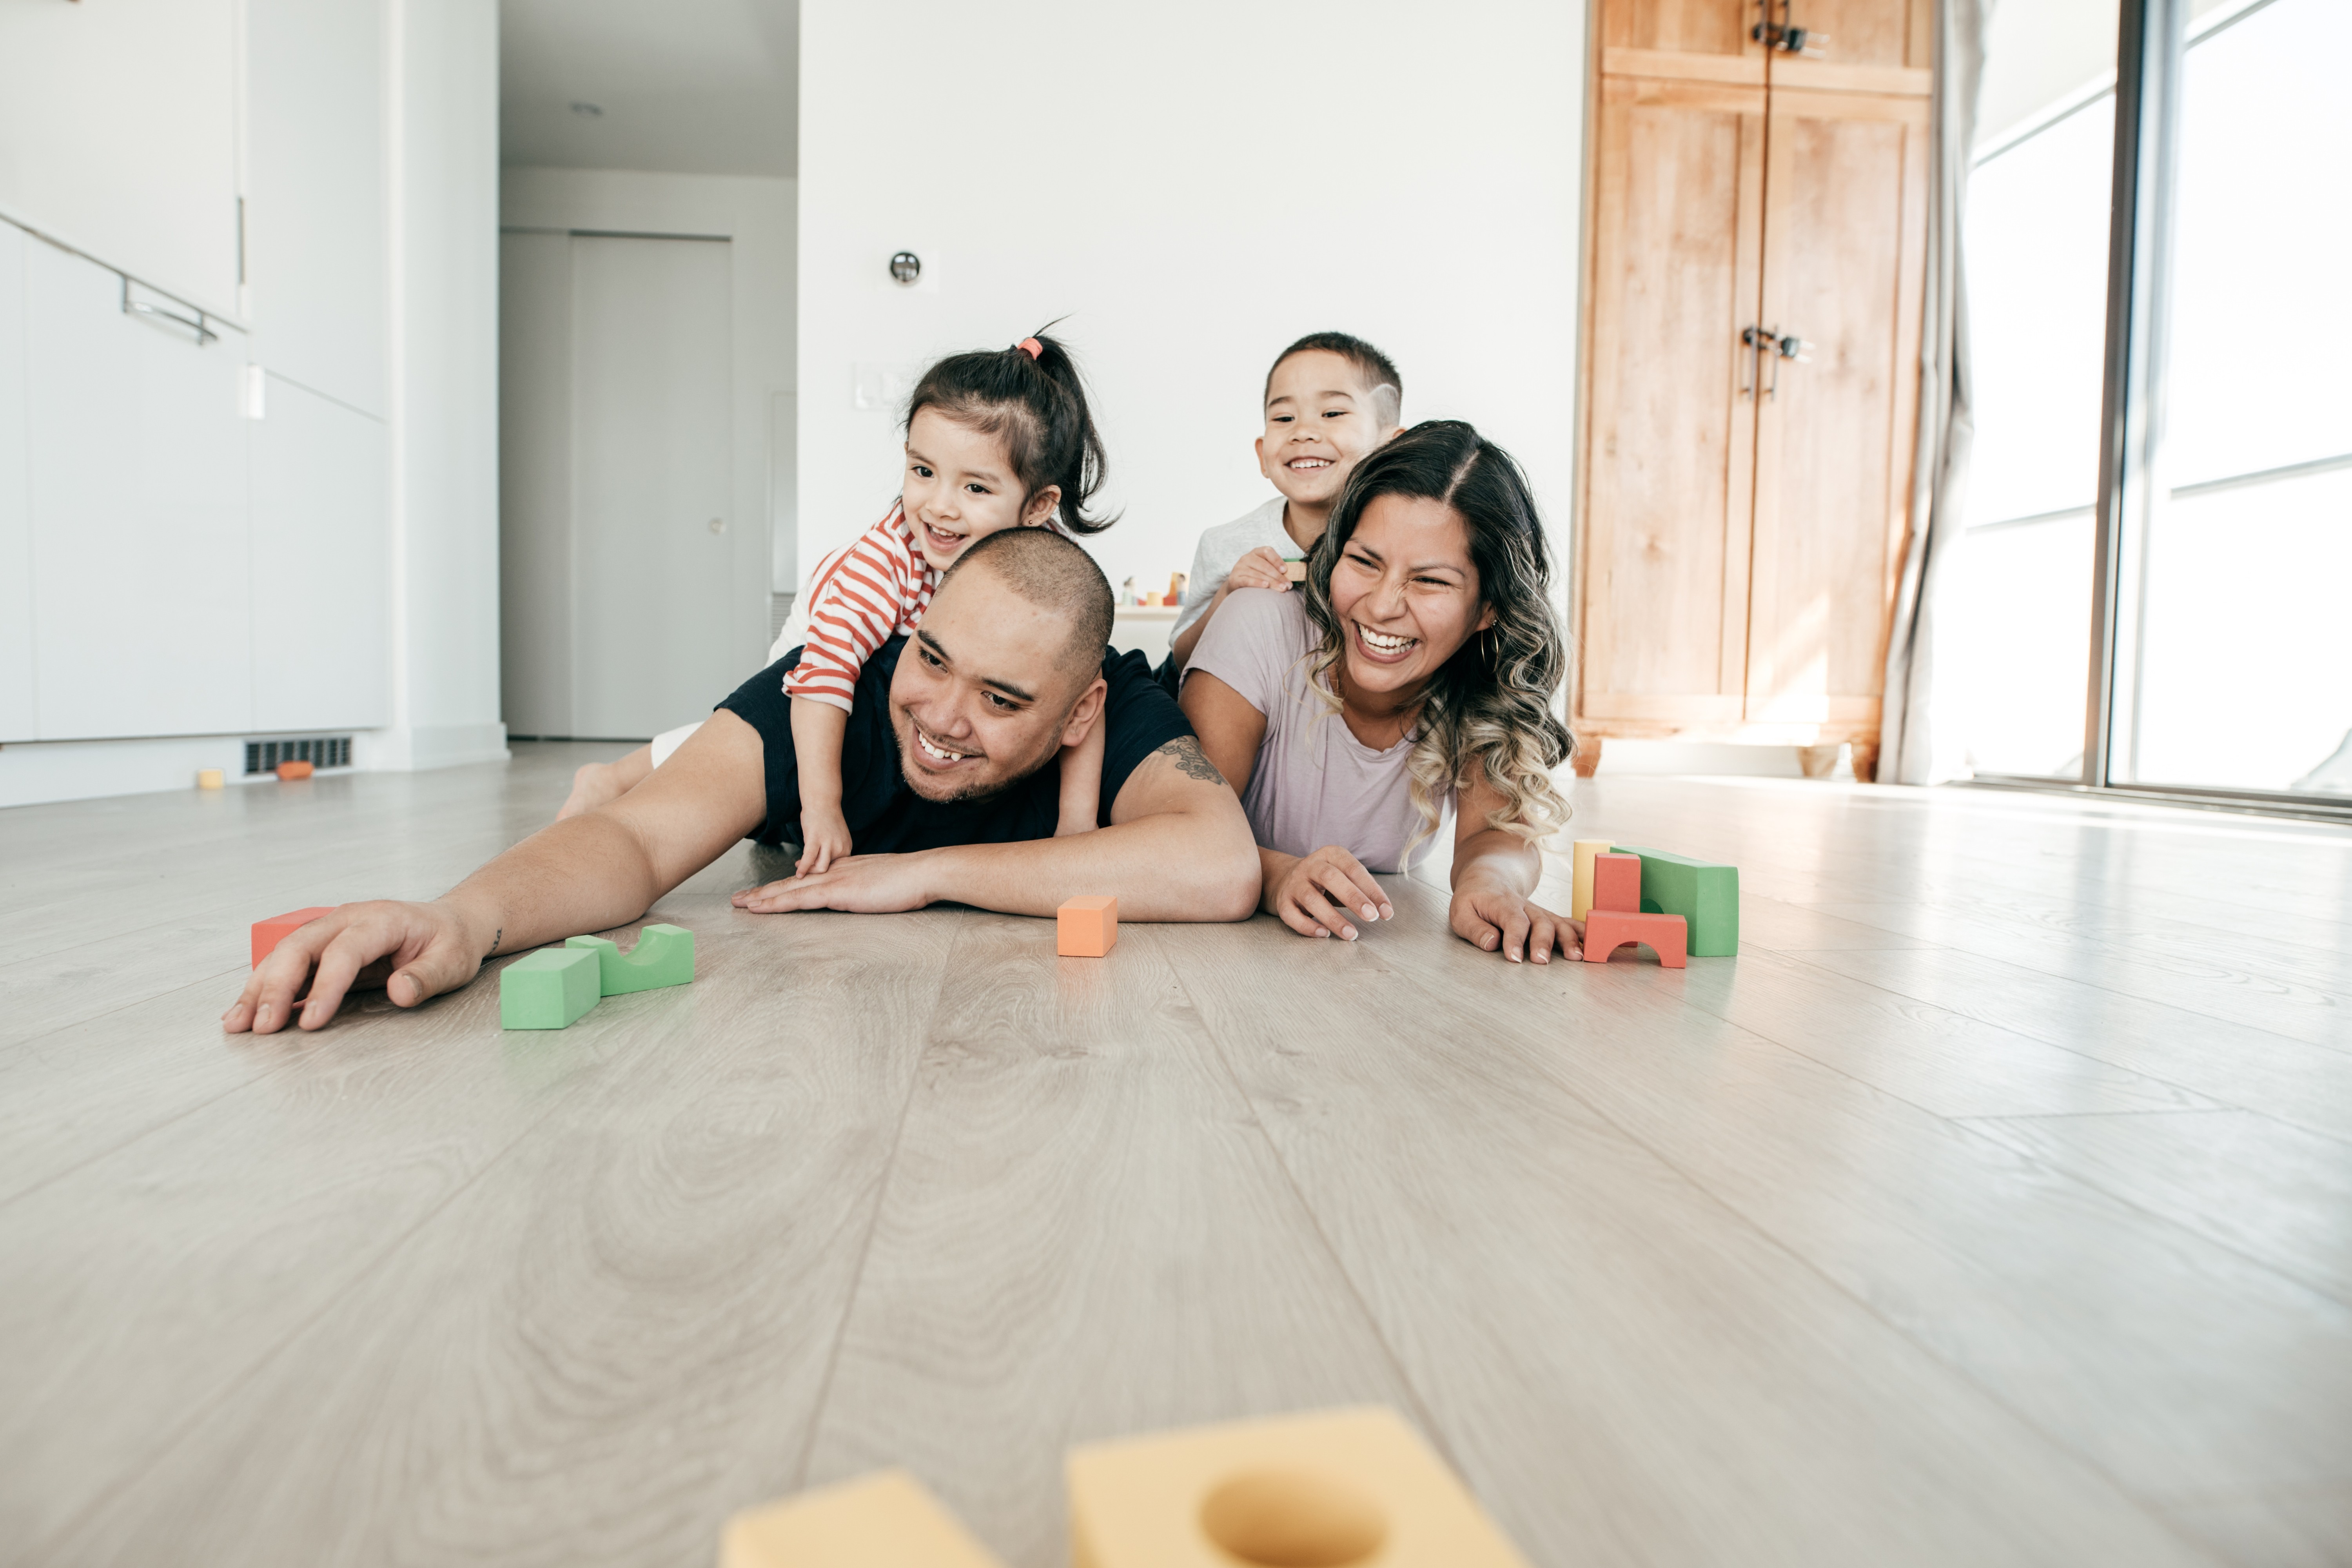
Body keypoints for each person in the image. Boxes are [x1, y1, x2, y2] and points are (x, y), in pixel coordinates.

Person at [226, 530, 1259, 1036]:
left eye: (1001, 700)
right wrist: (464, 915)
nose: (941, 718)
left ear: (1078, 711)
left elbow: (1218, 865)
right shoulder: (833, 686)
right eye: (932, 660)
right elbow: (636, 841)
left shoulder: (1116, 709)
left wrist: (921, 874)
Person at [556, 331, 1115, 871]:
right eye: (923, 472)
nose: (939, 507)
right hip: (821, 650)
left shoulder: (1048, 578)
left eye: (975, 488)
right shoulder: (887, 564)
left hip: (896, 661)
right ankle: (614, 779)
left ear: (1039, 505)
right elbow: (822, 676)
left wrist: (1076, 826)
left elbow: (1076, 695)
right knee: (766, 745)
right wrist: (820, 809)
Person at [1178, 420, 1580, 964]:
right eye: (1365, 562)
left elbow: (1494, 836)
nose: (1384, 605)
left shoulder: (1479, 683)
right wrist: (1277, 878)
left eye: (1430, 581)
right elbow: (1182, 831)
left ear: (1487, 608)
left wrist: (1490, 885)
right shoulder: (1258, 627)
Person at [1164, 332, 1406, 676]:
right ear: (1262, 455)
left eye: (1332, 413)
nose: (1303, 432)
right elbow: (1181, 659)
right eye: (1284, 418)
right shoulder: (1224, 545)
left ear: (1391, 447)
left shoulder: (1407, 546)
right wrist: (1228, 594)